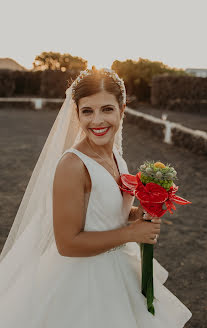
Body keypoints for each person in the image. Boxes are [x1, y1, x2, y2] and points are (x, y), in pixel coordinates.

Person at [0, 67, 192, 327]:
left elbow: (110, 211)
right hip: (81, 280)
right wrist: (132, 234)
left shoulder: (116, 156)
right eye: (87, 111)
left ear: (122, 110)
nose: (97, 121)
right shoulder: (72, 165)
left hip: (118, 267)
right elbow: (67, 243)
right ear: (76, 114)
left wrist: (142, 212)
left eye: (107, 109)